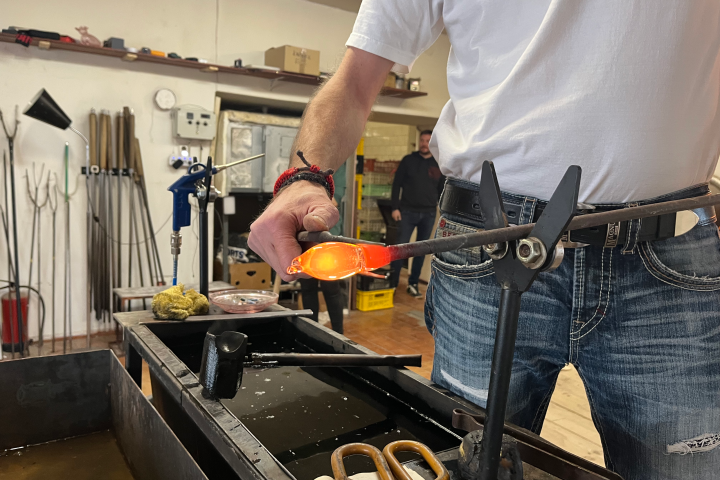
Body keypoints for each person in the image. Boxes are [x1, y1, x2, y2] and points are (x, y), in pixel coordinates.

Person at [249, 3, 720, 479]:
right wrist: (304, 178)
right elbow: (353, 82)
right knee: (466, 459)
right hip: (486, 248)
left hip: (669, 257)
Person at [389, 130, 445, 296]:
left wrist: (443, 212)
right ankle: (392, 283)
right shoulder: (408, 160)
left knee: (421, 250)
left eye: (427, 140)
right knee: (401, 248)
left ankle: (412, 284)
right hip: (407, 212)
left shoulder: (438, 164)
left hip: (428, 214)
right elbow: (396, 185)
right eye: (422, 140)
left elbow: (442, 190)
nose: (424, 143)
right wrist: (395, 208)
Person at [298, 164, 347, 333]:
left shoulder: (339, 166)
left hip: (329, 238)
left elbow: (333, 200)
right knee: (308, 287)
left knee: (331, 288)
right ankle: (312, 332)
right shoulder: (304, 165)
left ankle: (339, 335)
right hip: (304, 236)